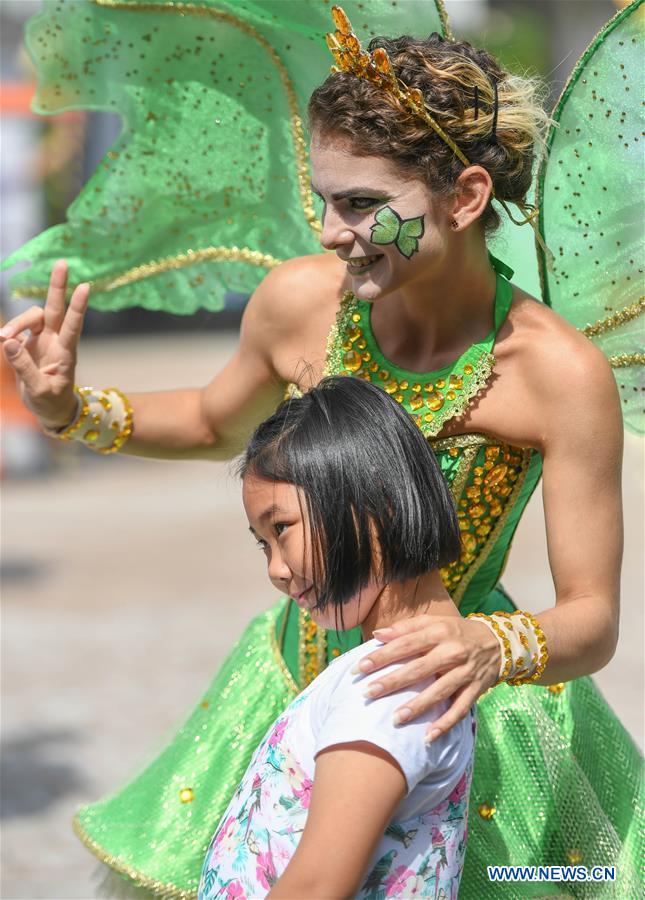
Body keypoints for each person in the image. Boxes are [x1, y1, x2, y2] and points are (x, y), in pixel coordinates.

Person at [1, 4, 641, 896]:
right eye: (323, 198)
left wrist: (489, 647)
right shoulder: (302, 302)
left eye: (363, 206)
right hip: (291, 692)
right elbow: (214, 423)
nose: (331, 231)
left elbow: (591, 619)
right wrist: (73, 408)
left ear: (464, 197)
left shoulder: (557, 375)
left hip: (458, 699)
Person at [200, 375, 474, 899]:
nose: (276, 570)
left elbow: (319, 885)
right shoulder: (396, 670)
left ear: (376, 501)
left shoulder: (394, 683)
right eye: (262, 545)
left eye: (281, 528)